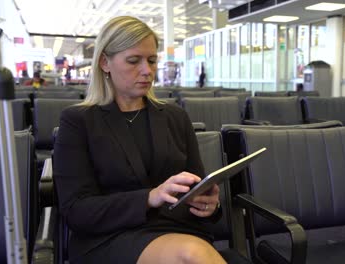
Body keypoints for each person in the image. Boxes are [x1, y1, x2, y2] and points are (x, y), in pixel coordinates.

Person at [53, 16, 225, 264]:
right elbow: (77, 211)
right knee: (192, 255)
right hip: (109, 238)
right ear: (105, 62)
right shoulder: (78, 121)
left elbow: (195, 189)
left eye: (152, 60)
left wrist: (209, 206)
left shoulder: (175, 117)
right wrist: (149, 197)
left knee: (192, 252)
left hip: (176, 229)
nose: (147, 70)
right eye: (134, 61)